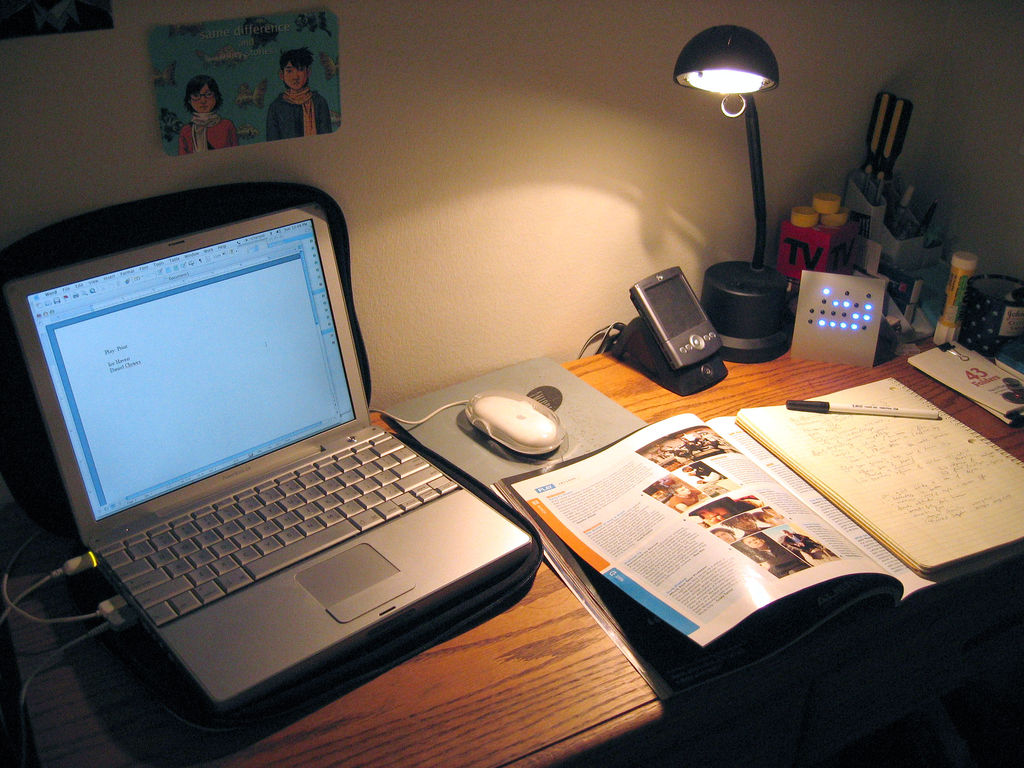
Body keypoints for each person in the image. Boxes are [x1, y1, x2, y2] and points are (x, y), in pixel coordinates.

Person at [266, 47, 333, 140]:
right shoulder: (276, 107)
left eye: (300, 69)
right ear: (281, 75)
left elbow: (327, 138)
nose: (295, 76)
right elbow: (272, 142)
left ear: (308, 72)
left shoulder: (319, 102)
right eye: (289, 71)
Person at [178, 75, 238, 154]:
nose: (203, 100)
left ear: (216, 97)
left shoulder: (227, 125)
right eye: (196, 96)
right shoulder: (186, 131)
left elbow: (237, 155)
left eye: (208, 94)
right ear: (189, 100)